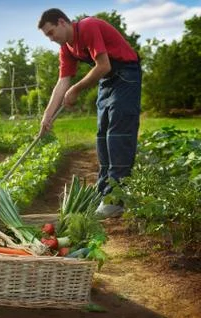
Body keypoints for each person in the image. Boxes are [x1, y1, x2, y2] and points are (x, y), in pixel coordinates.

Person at [37, 8, 142, 218]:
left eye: (50, 33)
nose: (50, 39)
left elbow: (103, 65)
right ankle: (105, 192)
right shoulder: (66, 47)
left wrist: (75, 90)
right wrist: (47, 116)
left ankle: (116, 200)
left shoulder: (88, 26)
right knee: (102, 136)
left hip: (126, 74)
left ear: (62, 22)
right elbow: (63, 81)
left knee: (118, 136)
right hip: (108, 79)